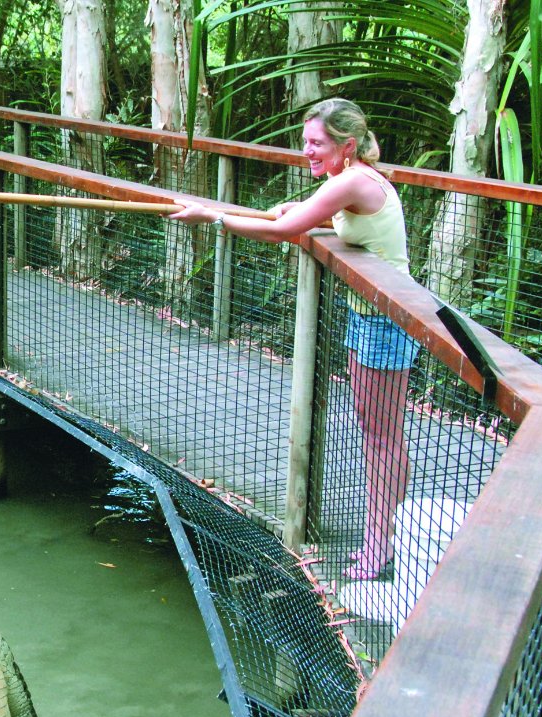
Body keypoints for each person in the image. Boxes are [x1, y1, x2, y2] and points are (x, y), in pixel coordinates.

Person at [168, 98, 419, 582]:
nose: (307, 151)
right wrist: (306, 212)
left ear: (346, 145)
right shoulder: (351, 174)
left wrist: (212, 218)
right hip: (371, 316)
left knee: (381, 437)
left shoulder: (350, 178)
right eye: (305, 141)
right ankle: (388, 529)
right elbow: (331, 218)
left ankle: (380, 542)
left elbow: (283, 232)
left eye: (317, 143)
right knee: (378, 433)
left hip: (387, 321)